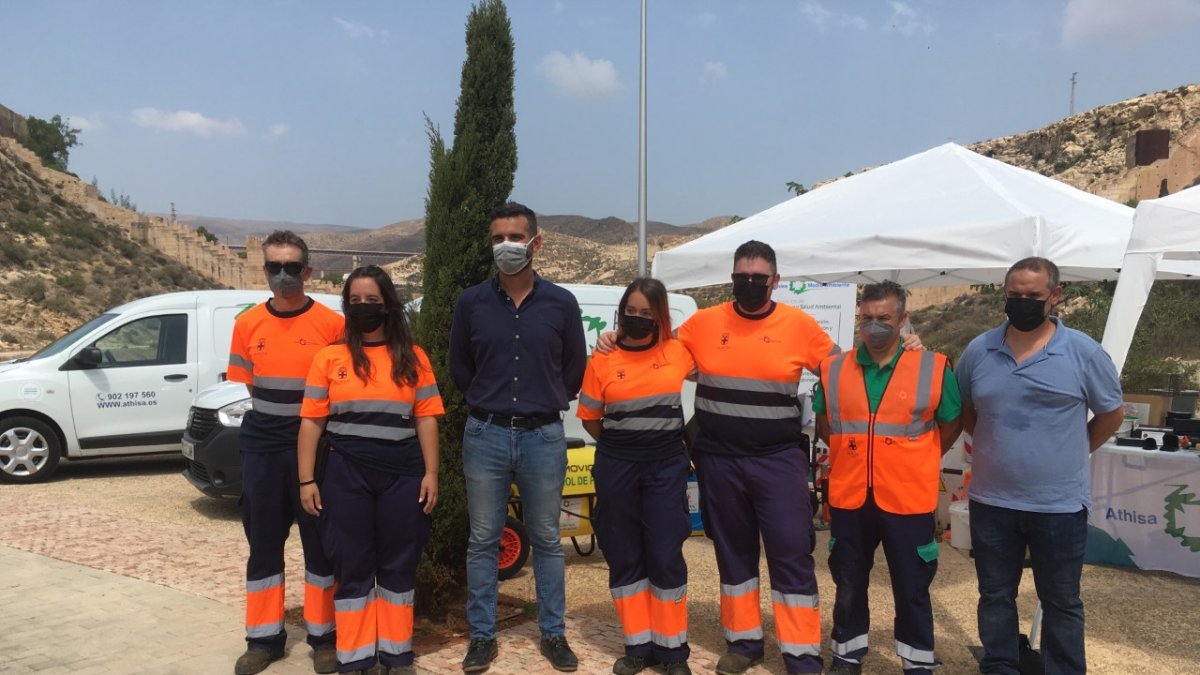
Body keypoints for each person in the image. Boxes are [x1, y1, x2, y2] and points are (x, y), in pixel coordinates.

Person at [956, 257, 1123, 675]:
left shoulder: (1083, 352)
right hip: (992, 501)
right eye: (1015, 294)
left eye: (1033, 295)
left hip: (1059, 505)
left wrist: (1074, 450)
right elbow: (965, 410)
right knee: (995, 594)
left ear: (1055, 295)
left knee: (1061, 600)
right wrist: (995, 444)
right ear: (1004, 293)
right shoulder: (979, 350)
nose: (1023, 302)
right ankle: (1000, 665)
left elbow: (1111, 414)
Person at [449, 202, 588, 673]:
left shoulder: (561, 304)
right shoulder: (471, 302)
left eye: (514, 237)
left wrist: (544, 399)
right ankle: (482, 637)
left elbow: (574, 368)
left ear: (535, 243)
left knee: (547, 538)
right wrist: (486, 399)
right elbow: (460, 366)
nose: (505, 246)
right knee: (483, 539)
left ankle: (553, 634)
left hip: (542, 436)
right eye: (497, 238)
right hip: (485, 433)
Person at [298, 266, 443, 675]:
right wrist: (306, 479)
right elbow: (311, 422)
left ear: (388, 304)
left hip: (403, 474)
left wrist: (431, 473)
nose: (364, 308)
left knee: (398, 564)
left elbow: (427, 418)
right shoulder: (329, 358)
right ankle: (355, 658)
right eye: (355, 301)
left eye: (372, 301)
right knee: (352, 564)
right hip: (345, 473)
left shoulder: (413, 357)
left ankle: (397, 656)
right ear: (346, 307)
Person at [813, 280, 962, 675]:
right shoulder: (832, 368)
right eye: (866, 318)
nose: (873, 325)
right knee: (848, 581)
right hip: (850, 496)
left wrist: (920, 457)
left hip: (908, 498)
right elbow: (826, 424)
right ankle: (847, 655)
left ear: (902, 319)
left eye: (883, 318)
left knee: (912, 586)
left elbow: (951, 423)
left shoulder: (933, 367)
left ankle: (917, 661)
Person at [228, 231, 344, 675]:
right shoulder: (247, 324)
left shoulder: (332, 326)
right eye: (274, 266)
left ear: (307, 271)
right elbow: (251, 385)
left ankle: (324, 638)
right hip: (263, 447)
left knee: (321, 546)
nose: (283, 275)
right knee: (262, 545)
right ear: (264, 270)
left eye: (292, 267)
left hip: (316, 448)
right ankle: (263, 640)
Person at [577, 277, 696, 675]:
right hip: (618, 466)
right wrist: (623, 445)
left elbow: (721, 367)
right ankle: (637, 647)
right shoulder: (602, 358)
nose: (637, 318)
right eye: (631, 311)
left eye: (646, 313)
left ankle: (672, 651)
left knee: (665, 553)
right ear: (621, 312)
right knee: (624, 554)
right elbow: (590, 418)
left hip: (665, 465)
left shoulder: (677, 351)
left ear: (660, 316)